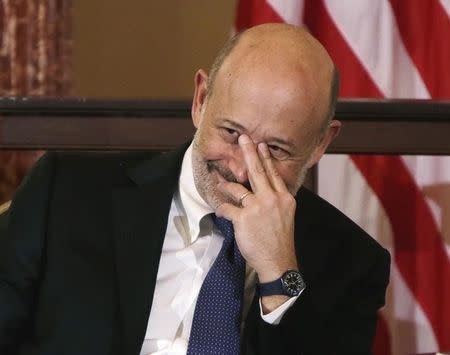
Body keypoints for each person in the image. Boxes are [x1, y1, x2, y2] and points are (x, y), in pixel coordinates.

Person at [0, 23, 390, 355]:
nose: (240, 168)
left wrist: (280, 277)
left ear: (321, 143)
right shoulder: (67, 192)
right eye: (231, 132)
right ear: (201, 100)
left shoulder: (351, 262)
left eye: (275, 149)